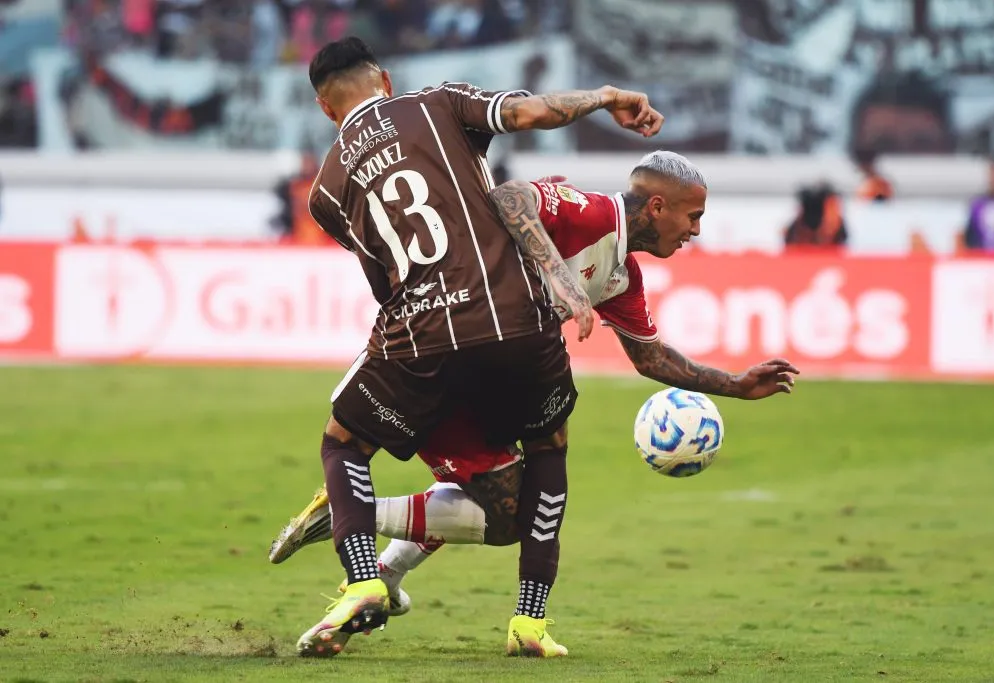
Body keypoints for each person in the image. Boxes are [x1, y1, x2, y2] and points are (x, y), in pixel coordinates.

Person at [272, 152, 799, 651]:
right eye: (693, 215)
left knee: (502, 511)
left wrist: (736, 385)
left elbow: (650, 358)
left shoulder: (620, 276)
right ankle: (494, 604)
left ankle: (376, 568)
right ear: (658, 206)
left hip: (488, 376)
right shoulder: (589, 211)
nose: (696, 231)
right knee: (532, 472)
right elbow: (509, 196)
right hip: (447, 350)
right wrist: (562, 279)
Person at [296, 37, 664, 658]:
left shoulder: (325, 191)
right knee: (549, 447)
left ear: (327, 110)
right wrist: (605, 98)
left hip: (421, 333)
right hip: (516, 318)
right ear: (384, 78)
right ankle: (530, 621)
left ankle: (363, 579)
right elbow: (530, 114)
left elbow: (381, 276)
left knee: (343, 441)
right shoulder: (436, 103)